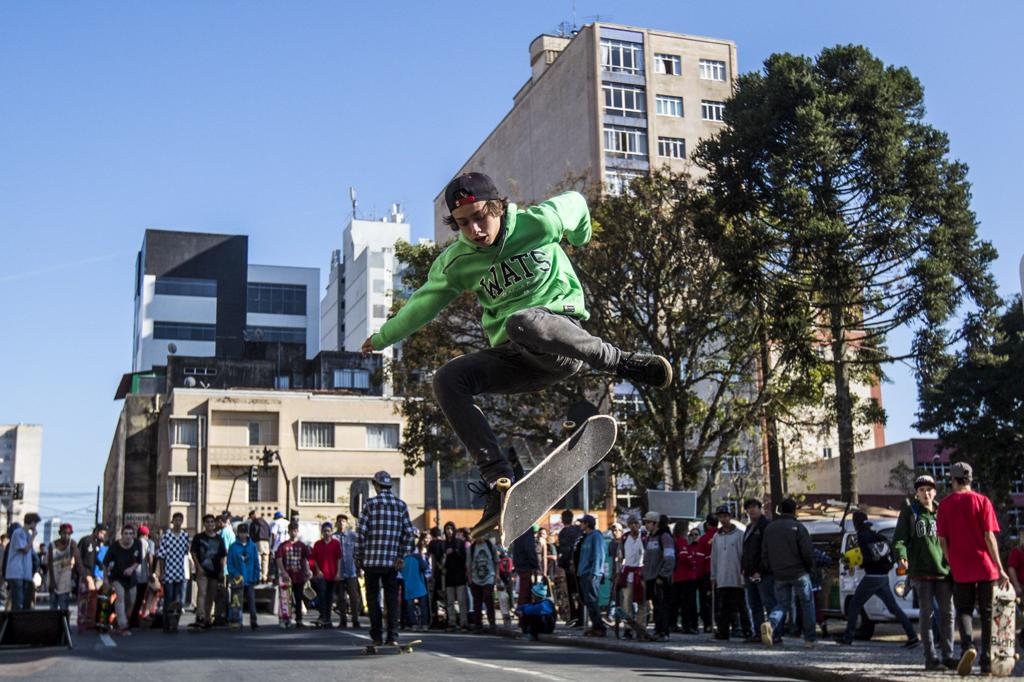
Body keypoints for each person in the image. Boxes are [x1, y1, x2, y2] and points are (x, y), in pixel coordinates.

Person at [361, 174, 673, 537]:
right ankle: (498, 482)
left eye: (481, 217)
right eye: (464, 224)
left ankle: (621, 361)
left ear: (498, 208)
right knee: (448, 379)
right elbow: (423, 304)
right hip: (517, 360)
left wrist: (579, 236)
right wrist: (384, 336)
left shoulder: (538, 223)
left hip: (560, 340)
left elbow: (576, 203)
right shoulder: (457, 262)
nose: (475, 230)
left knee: (523, 321)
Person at [936, 461, 1011, 676]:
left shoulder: (945, 505)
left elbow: (942, 540)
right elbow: (989, 537)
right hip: (986, 566)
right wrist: (1000, 567)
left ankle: (968, 646)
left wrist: (951, 561)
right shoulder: (983, 501)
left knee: (964, 611)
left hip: (961, 568)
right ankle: (987, 663)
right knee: (988, 614)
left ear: (952, 480)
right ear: (970, 479)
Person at [893, 474, 955, 671]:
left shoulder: (943, 512)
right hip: (920, 573)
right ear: (916, 493)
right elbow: (899, 539)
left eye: (929, 489)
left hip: (944, 571)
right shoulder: (910, 512)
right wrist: (902, 555)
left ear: (935, 491)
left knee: (948, 614)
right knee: (926, 616)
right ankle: (931, 659)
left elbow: (953, 538)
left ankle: (948, 656)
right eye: (921, 490)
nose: (926, 493)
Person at [836, 511, 919, 648]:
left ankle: (848, 637)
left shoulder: (862, 536)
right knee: (894, 609)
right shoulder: (877, 535)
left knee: (854, 605)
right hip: (883, 576)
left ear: (856, 523)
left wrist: (860, 563)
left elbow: (867, 557)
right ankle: (912, 635)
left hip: (871, 577)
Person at [355, 470, 417, 647]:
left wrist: (358, 557)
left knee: (373, 600)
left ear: (376, 485)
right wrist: (401, 556)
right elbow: (409, 534)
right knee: (391, 600)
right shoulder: (401, 505)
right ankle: (393, 636)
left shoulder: (369, 504)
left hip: (371, 561)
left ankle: (376, 636)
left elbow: (361, 533)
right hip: (391, 562)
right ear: (389, 485)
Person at [760, 498, 815, 648]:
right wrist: (809, 568)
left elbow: (764, 552)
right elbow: (807, 551)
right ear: (795, 510)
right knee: (807, 603)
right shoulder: (798, 527)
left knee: (781, 604)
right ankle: (809, 639)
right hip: (799, 572)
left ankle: (771, 623)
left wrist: (771, 568)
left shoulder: (770, 528)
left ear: (780, 510)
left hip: (779, 574)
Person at [709, 505, 751, 641]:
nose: (722, 519)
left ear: (730, 516)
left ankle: (747, 631)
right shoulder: (716, 536)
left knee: (741, 606)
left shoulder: (740, 534)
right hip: (722, 576)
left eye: (725, 516)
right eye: (720, 516)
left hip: (737, 576)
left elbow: (744, 555)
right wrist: (713, 575)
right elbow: (714, 557)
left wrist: (743, 575)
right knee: (724, 607)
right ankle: (723, 632)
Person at [741, 498, 774, 641]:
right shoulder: (748, 528)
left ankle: (774, 633)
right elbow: (746, 550)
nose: (751, 510)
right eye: (748, 507)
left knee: (768, 603)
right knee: (754, 605)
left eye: (754, 506)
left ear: (760, 508)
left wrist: (760, 570)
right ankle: (758, 633)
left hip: (763, 573)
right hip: (749, 572)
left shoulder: (766, 525)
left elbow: (767, 551)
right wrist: (744, 568)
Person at [102, 525, 142, 635]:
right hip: (117, 577)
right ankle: (123, 625)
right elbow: (105, 564)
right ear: (122, 535)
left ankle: (118, 620)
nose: (128, 536)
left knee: (131, 601)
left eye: (130, 534)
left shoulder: (137, 544)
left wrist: (131, 568)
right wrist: (105, 579)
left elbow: (138, 560)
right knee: (120, 597)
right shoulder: (114, 547)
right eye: (126, 534)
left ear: (133, 535)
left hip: (131, 578)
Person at [190, 514, 227, 630]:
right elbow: (193, 553)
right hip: (202, 571)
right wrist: (198, 567)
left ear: (215, 524)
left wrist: (222, 570)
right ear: (204, 524)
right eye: (207, 522)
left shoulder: (219, 539)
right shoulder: (198, 537)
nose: (210, 524)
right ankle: (200, 616)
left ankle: (207, 618)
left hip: (215, 572)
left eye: (212, 522)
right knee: (202, 593)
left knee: (210, 596)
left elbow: (223, 556)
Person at [642, 512, 675, 641]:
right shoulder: (650, 538)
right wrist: (643, 575)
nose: (646, 525)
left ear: (655, 523)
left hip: (660, 579)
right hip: (650, 578)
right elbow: (646, 559)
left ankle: (664, 632)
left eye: (648, 522)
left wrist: (662, 576)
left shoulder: (665, 537)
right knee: (656, 606)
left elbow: (670, 558)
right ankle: (657, 630)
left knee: (663, 606)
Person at [155, 512, 190, 631]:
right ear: (172, 521)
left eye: (180, 520)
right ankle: (166, 624)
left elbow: (185, 552)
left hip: (180, 572)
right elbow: (161, 555)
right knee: (168, 599)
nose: (178, 522)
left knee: (177, 600)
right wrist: (162, 571)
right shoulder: (166, 535)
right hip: (169, 571)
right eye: (176, 520)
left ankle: (175, 623)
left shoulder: (185, 536)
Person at [275, 520, 312, 628]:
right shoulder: (283, 546)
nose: (293, 532)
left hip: (299, 576)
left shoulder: (302, 545)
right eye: (291, 530)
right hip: (287, 576)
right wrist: (284, 572)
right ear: (289, 531)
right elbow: (278, 559)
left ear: (298, 531)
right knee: (285, 599)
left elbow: (305, 559)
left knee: (299, 598)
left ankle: (299, 620)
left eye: (295, 530)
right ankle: (286, 619)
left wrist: (307, 571)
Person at [577, 514, 607, 637]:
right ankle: (595, 626)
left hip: (592, 574)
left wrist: (594, 572)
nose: (580, 525)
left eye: (582, 523)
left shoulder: (596, 536)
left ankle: (599, 627)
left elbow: (599, 555)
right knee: (588, 602)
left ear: (587, 524)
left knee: (592, 601)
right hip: (584, 573)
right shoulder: (586, 537)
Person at [226, 522, 260, 629]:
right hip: (237, 579)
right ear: (237, 533)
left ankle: (253, 621)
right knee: (236, 601)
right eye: (241, 532)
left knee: (251, 601)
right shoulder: (233, 546)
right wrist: (235, 574)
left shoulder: (253, 546)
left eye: (245, 532)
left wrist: (256, 576)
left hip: (249, 578)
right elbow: (229, 563)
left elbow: (256, 562)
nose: (243, 535)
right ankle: (237, 620)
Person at [617, 514, 646, 633]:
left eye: (636, 523)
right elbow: (620, 557)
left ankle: (641, 627)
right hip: (628, 573)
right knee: (626, 601)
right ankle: (628, 627)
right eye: (631, 523)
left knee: (642, 602)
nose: (634, 526)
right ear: (628, 525)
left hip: (641, 573)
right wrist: (618, 572)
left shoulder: (644, 538)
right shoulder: (624, 538)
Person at [334, 513, 363, 629]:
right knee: (341, 598)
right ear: (336, 523)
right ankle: (343, 620)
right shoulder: (334, 537)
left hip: (351, 570)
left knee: (354, 597)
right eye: (339, 521)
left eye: (343, 521)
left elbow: (359, 551)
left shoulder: (352, 536)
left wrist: (360, 568)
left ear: (346, 523)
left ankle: (355, 620)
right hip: (339, 572)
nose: (341, 523)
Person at [4, 513, 39, 610]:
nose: (36, 526)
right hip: (16, 572)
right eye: (35, 523)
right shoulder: (18, 533)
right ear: (31, 522)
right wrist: (33, 537)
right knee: (17, 601)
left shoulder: (27, 534)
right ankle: (14, 623)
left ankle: (20, 622)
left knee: (24, 602)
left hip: (25, 574)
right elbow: (24, 550)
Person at [310, 521, 341, 628]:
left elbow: (338, 559)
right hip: (322, 574)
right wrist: (318, 570)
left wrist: (338, 572)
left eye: (328, 531)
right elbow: (314, 559)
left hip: (332, 574)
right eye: (324, 531)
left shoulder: (336, 544)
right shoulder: (318, 544)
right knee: (322, 595)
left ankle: (328, 618)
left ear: (331, 532)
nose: (326, 533)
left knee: (330, 597)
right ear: (322, 532)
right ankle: (322, 615)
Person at [671, 520, 699, 634]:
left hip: (678, 576)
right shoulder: (682, 541)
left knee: (677, 602)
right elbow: (684, 556)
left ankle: (675, 624)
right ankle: (688, 625)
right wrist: (694, 563)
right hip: (686, 576)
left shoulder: (675, 541)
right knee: (688, 603)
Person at [557, 510, 583, 626]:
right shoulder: (578, 530)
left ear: (563, 520)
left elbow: (564, 551)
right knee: (579, 592)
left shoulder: (563, 533)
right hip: (580, 565)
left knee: (570, 593)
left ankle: (574, 616)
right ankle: (581, 616)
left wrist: (562, 564)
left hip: (568, 566)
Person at [469, 536, 499, 632]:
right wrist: (469, 578)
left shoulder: (490, 545)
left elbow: (496, 561)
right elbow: (468, 564)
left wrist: (497, 575)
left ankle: (492, 622)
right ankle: (478, 624)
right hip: (475, 577)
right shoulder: (472, 547)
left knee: (488, 598)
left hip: (489, 576)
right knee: (477, 602)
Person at [444, 523, 470, 630]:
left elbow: (464, 559)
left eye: (451, 528)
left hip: (460, 576)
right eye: (447, 529)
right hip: (448, 576)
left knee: (462, 601)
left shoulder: (460, 543)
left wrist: (454, 552)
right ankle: (452, 621)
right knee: (449, 601)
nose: (449, 531)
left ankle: (463, 622)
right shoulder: (444, 544)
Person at [128, 525, 155, 628]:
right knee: (139, 599)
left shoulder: (132, 542)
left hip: (132, 574)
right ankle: (134, 620)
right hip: (143, 574)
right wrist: (151, 572)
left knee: (132, 598)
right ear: (146, 534)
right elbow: (150, 558)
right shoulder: (146, 543)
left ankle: (130, 618)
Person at [47, 523, 78, 614]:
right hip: (53, 577)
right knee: (53, 606)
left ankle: (64, 627)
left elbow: (76, 560)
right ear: (60, 533)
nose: (66, 536)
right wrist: (52, 581)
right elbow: (49, 564)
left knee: (64, 607)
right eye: (64, 533)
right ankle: (53, 627)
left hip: (65, 580)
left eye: (69, 534)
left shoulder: (72, 544)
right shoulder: (52, 545)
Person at [696, 515, 717, 633]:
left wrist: (699, 576)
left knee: (706, 601)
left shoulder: (704, 539)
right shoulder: (721, 535)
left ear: (708, 524)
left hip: (706, 573)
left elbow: (700, 560)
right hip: (722, 573)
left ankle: (708, 624)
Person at [402, 544, 429, 631]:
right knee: (423, 605)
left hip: (408, 585)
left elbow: (400, 570)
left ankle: (414, 624)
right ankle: (424, 625)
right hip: (419, 584)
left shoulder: (403, 559)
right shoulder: (417, 557)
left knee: (410, 606)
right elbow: (425, 567)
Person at [512, 525, 540, 609]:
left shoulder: (518, 534)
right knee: (525, 591)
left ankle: (524, 612)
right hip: (526, 566)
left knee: (524, 590)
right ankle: (522, 611)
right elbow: (530, 550)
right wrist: (535, 565)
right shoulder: (527, 534)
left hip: (520, 565)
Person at [247, 510, 272, 583]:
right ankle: (264, 577)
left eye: (251, 517)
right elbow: (269, 532)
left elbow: (251, 534)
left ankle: (259, 576)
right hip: (266, 542)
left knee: (258, 559)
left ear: (253, 515)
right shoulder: (265, 522)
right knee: (265, 560)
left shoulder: (254, 523)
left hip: (258, 542)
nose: (251, 518)